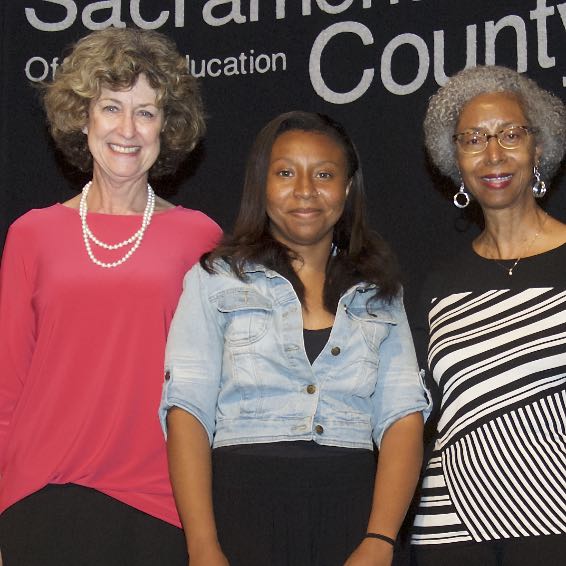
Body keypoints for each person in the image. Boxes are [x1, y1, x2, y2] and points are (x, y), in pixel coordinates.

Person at [160, 111, 430, 566]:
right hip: (241, 515)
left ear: (347, 188)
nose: (305, 190)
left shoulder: (380, 292)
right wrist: (202, 545)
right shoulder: (213, 280)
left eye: (324, 174)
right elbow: (187, 409)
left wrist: (381, 539)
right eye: (285, 173)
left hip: (353, 515)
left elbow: (403, 414)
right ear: (260, 184)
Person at [0, 28, 221, 565]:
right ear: (83, 117)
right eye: (111, 108)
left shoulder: (201, 237)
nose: (127, 130)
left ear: (166, 128)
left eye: (146, 112)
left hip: (160, 503)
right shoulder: (31, 233)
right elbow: (8, 388)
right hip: (39, 499)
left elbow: (219, 391)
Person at [410, 65, 566, 565]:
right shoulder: (435, 285)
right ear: (454, 159)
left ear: (538, 148)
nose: (493, 154)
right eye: (474, 139)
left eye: (510, 135)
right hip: (450, 537)